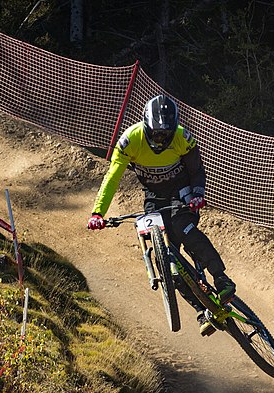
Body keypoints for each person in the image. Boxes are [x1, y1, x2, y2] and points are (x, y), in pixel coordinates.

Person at [87, 94, 235, 336]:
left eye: (165, 135)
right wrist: (98, 212)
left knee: (183, 228)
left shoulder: (182, 137)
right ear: (145, 126)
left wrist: (198, 194)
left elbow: (197, 170)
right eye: (156, 134)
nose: (160, 139)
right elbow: (111, 177)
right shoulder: (129, 141)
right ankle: (202, 310)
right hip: (154, 198)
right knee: (164, 260)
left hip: (182, 192)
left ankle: (221, 279)